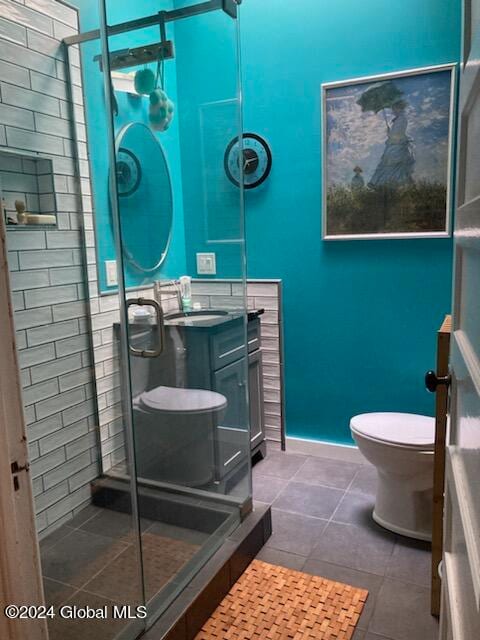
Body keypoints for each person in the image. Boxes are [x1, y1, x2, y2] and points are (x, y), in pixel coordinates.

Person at [368, 99, 415, 188]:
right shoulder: (399, 119)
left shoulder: (401, 119)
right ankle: (382, 185)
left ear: (399, 108)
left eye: (394, 108)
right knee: (390, 166)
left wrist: (390, 134)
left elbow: (397, 135)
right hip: (395, 145)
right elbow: (395, 134)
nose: (393, 111)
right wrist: (390, 133)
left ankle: (382, 185)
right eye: (393, 109)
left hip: (397, 146)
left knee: (393, 166)